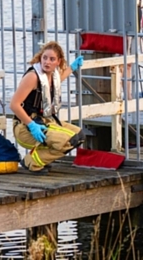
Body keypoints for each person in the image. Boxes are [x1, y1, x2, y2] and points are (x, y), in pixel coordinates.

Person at [10, 41, 86, 173]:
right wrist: (32, 125)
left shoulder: (52, 75)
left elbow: (58, 80)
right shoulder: (33, 77)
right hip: (25, 127)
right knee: (68, 140)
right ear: (40, 58)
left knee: (79, 135)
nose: (47, 62)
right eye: (44, 58)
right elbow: (14, 105)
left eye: (52, 59)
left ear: (58, 61)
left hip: (45, 121)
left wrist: (72, 67)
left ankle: (38, 158)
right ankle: (32, 162)